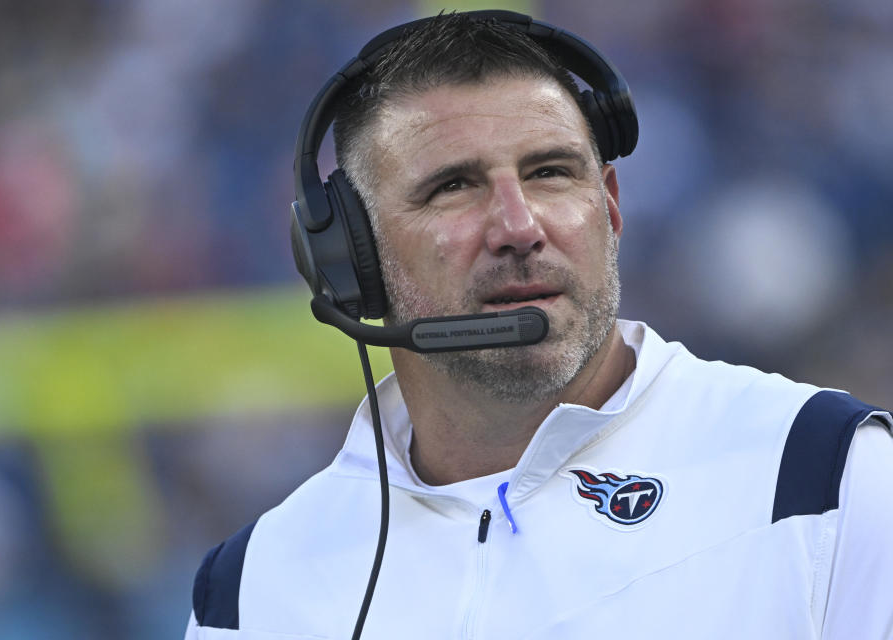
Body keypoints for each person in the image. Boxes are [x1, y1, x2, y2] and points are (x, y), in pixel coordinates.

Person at [185, 11, 892, 640]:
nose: (520, 228)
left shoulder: (823, 477)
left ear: (611, 207)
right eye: (452, 187)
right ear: (352, 258)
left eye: (551, 172)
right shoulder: (251, 592)